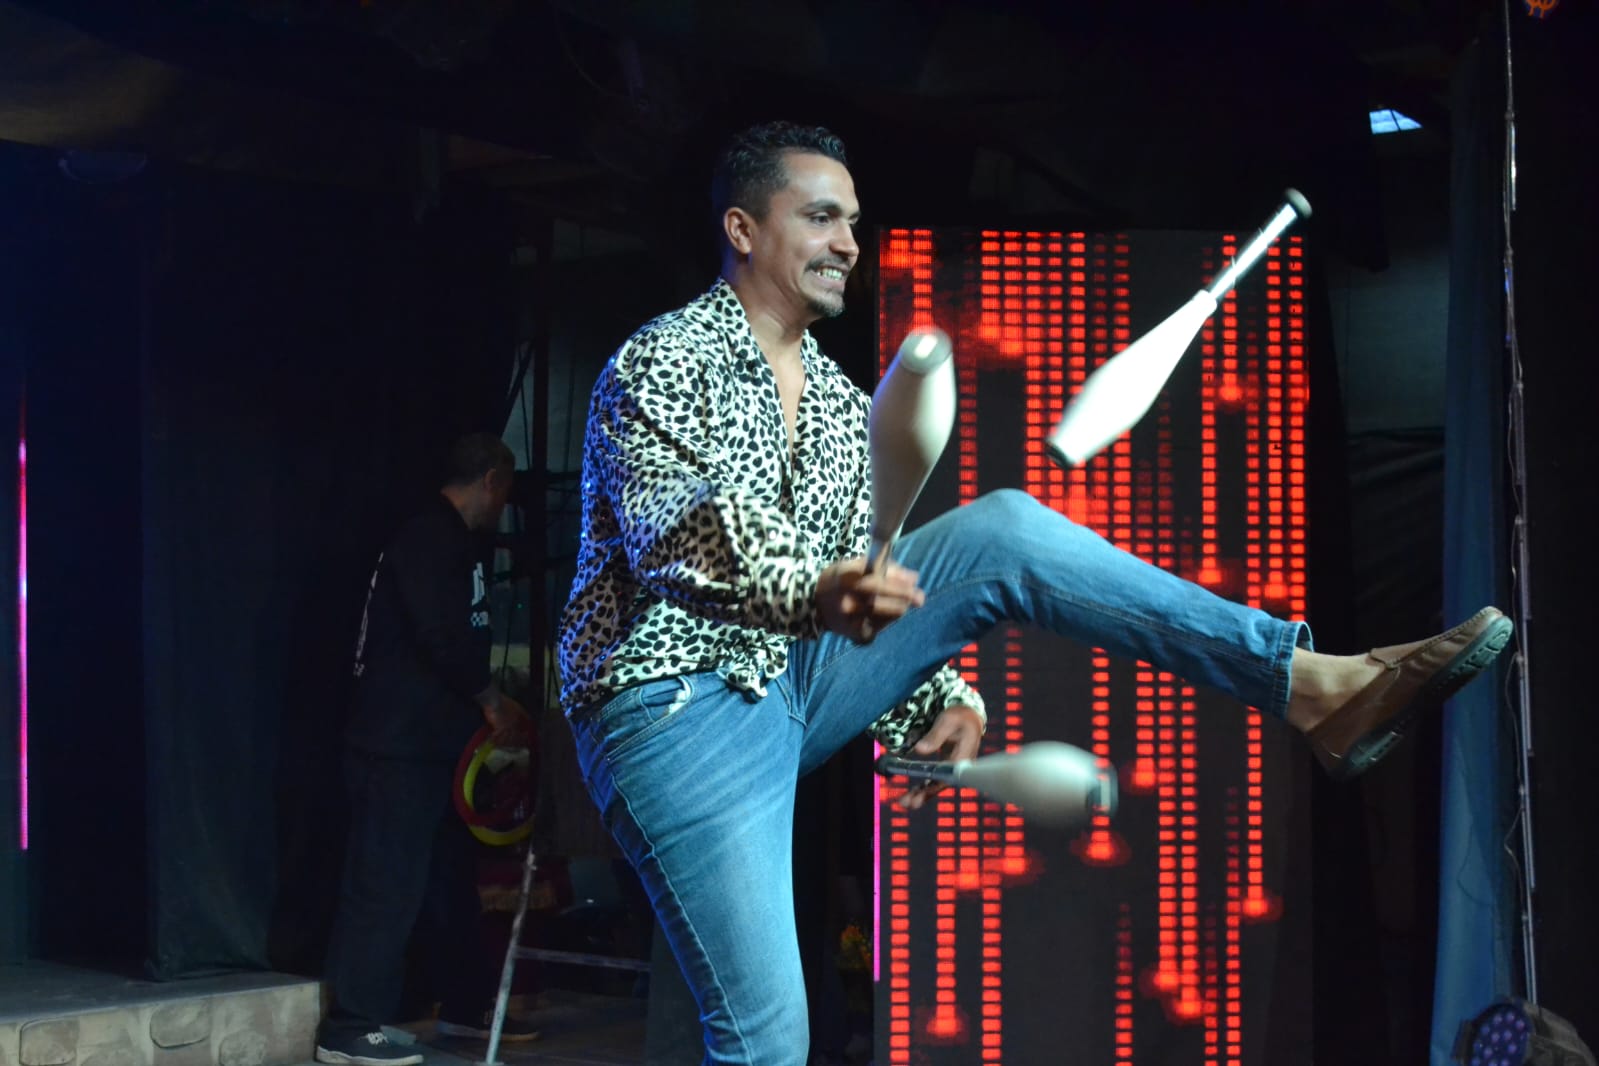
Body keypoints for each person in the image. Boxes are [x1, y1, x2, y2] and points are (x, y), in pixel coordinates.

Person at [555, 121, 1514, 1064]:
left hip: (790, 683)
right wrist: (817, 587)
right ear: (742, 229)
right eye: (820, 218)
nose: (848, 242)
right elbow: (676, 529)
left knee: (1005, 530)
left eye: (852, 220)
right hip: (671, 706)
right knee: (767, 1041)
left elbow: (866, 577)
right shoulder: (664, 358)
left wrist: (939, 697)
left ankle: (1306, 684)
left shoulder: (846, 410)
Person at [316, 432, 538, 1066]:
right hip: (396, 747)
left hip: (437, 749)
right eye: (506, 489)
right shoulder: (427, 537)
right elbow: (438, 634)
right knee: (384, 886)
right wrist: (491, 700)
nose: (505, 503)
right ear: (492, 480)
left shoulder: (454, 541)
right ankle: (349, 1027)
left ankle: (465, 1006)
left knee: (447, 884)